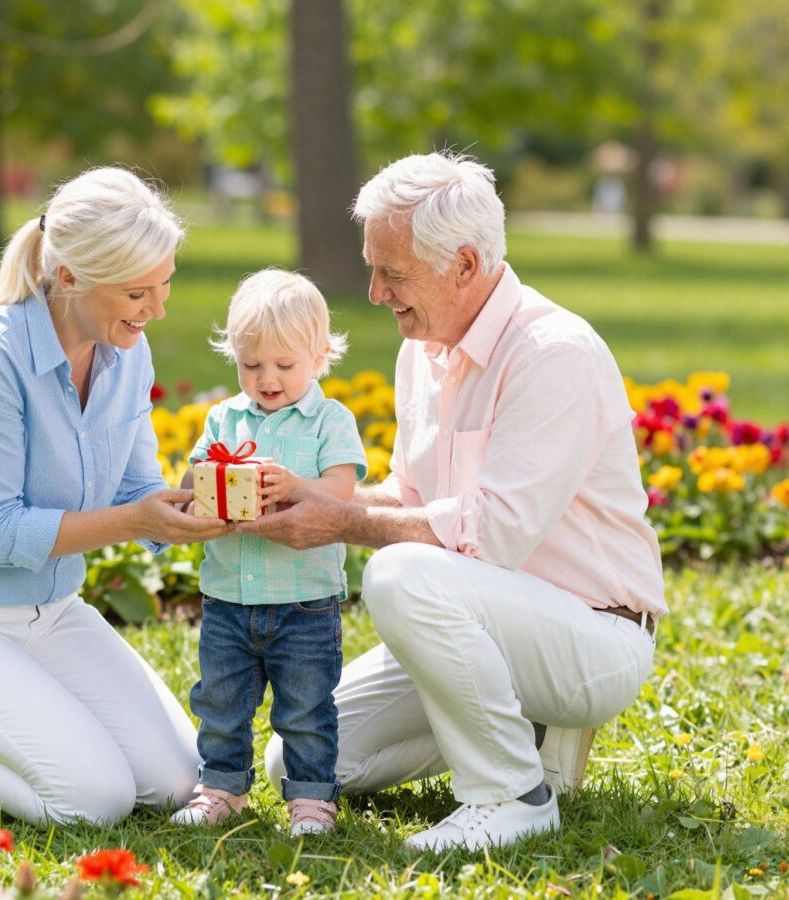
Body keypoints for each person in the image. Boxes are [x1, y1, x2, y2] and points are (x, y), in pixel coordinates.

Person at [246, 152, 666, 852]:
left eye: (394, 272)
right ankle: (524, 730)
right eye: (372, 267)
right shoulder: (426, 348)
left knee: (398, 573)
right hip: (490, 619)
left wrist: (343, 524)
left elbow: (492, 535)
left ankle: (513, 794)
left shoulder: (552, 352)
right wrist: (300, 497)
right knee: (298, 760)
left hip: (594, 637)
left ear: (465, 265)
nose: (376, 292)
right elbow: (410, 499)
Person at [0, 167, 232, 826]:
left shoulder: (126, 350)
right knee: (93, 802)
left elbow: (136, 488)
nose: (157, 308)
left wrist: (187, 513)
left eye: (164, 285)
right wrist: (131, 521)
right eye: (138, 292)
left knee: (179, 781)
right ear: (68, 279)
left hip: (49, 610)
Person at [169, 269, 367, 836]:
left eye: (284, 365)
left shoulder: (331, 420)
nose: (267, 378)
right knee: (221, 702)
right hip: (229, 595)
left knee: (305, 708)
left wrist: (294, 487)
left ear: (320, 354)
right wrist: (207, 483)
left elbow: (341, 492)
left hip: (304, 602)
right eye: (251, 365)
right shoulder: (224, 418)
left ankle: (310, 799)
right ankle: (221, 788)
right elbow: (194, 476)